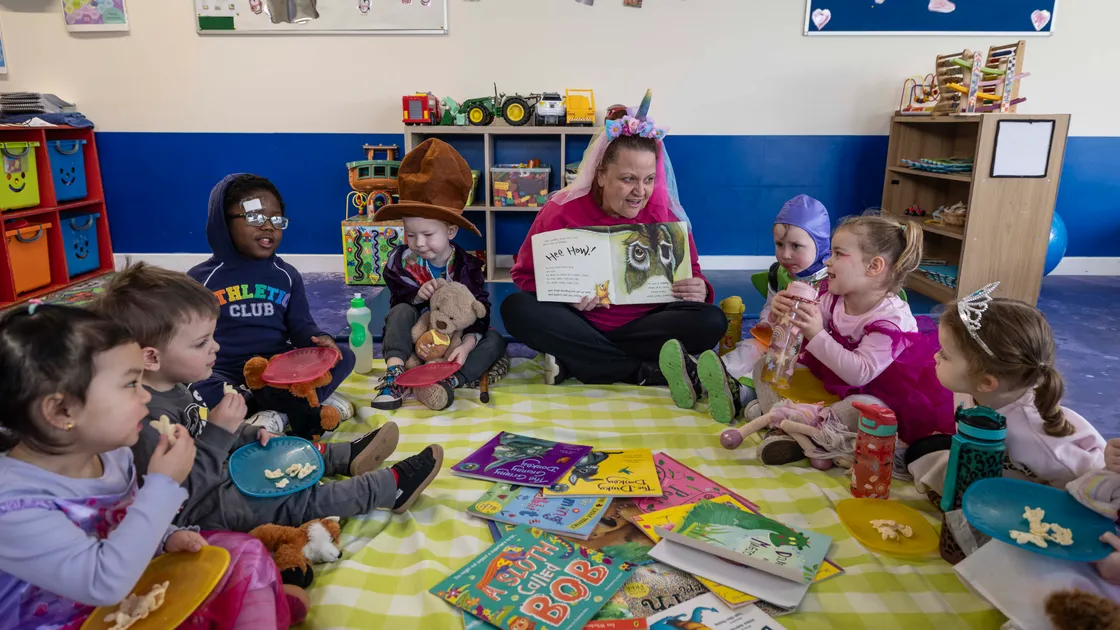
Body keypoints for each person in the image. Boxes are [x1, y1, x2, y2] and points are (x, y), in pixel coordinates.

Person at [0, 304, 305, 629]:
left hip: (130, 593)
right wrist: (162, 486)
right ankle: (251, 605)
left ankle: (251, 605)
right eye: (131, 384)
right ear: (62, 411)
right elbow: (103, 583)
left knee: (242, 552)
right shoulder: (14, 506)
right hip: (71, 616)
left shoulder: (111, 454)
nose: (145, 397)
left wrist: (166, 537)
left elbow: (123, 521)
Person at [93, 262, 437, 533]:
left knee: (270, 446)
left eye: (212, 336)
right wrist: (221, 432)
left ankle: (343, 457)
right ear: (151, 358)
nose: (216, 347)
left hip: (217, 472)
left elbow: (199, 435)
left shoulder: (173, 383)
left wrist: (244, 433)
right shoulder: (142, 417)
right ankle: (386, 489)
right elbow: (182, 490)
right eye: (201, 343)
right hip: (200, 509)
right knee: (293, 501)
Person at [501, 95, 726, 386]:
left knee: (712, 321)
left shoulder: (666, 216)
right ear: (602, 175)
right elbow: (523, 275)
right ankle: (641, 371)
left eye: (648, 180)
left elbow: (692, 274)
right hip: (580, 322)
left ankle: (581, 361)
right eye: (628, 179)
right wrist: (566, 296)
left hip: (642, 326)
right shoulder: (559, 211)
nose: (640, 192)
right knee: (516, 309)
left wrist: (700, 289)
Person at [752, 215, 955, 466]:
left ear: (874, 266)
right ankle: (794, 424)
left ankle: (794, 427)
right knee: (765, 366)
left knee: (863, 408)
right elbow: (793, 342)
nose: (827, 261)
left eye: (838, 254)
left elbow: (858, 374)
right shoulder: (833, 297)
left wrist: (816, 333)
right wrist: (782, 313)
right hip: (830, 386)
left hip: (879, 395)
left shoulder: (892, 319)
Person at [188, 174, 355, 439]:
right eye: (255, 218)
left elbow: (301, 327)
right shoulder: (201, 279)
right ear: (223, 222)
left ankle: (279, 413)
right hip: (225, 372)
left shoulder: (286, 275)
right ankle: (304, 404)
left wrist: (320, 339)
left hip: (280, 369)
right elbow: (187, 337)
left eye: (276, 220)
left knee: (344, 356)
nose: (268, 227)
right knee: (193, 387)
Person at [907, 286, 1106, 494]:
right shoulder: (977, 389)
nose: (936, 356)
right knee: (921, 450)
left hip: (1046, 499)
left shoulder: (1036, 440)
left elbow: (1088, 486)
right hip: (998, 464)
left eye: (945, 354)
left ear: (986, 382)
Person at [660, 194, 831, 424]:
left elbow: (835, 326)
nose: (786, 254)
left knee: (767, 369)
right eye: (779, 245)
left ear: (820, 244)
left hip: (809, 354)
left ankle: (739, 393)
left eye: (796, 246)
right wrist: (773, 315)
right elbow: (767, 313)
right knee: (747, 349)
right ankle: (700, 380)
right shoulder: (778, 274)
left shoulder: (831, 282)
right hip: (777, 339)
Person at [368, 138, 507, 411]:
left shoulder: (467, 266)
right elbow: (398, 299)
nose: (419, 243)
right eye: (410, 234)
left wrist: (466, 345)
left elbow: (480, 310)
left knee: (495, 340)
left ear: (451, 231)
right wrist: (416, 295)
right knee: (399, 312)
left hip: (453, 340)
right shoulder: (401, 261)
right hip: (416, 337)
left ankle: (449, 381)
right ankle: (395, 374)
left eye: (428, 235)